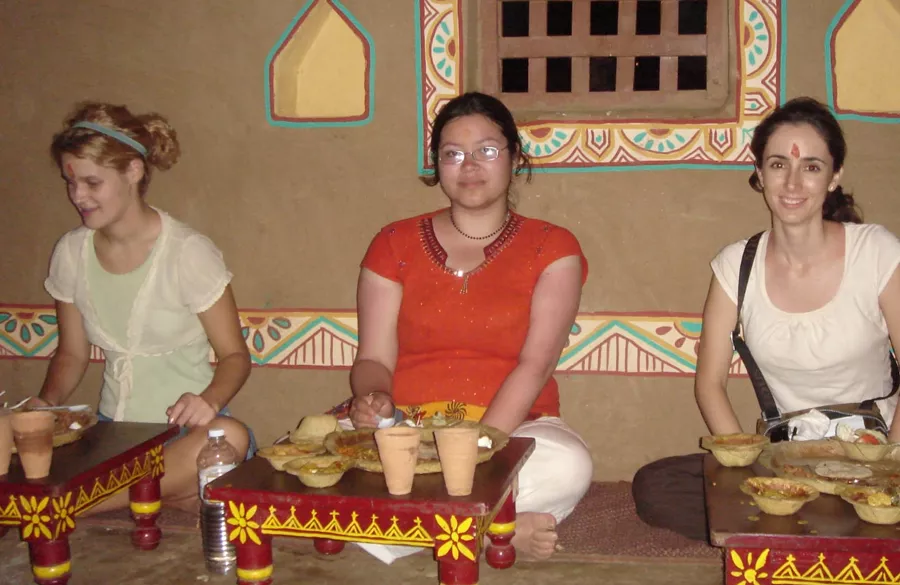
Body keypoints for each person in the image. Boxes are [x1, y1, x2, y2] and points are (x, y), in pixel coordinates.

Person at [632, 96, 900, 540]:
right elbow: (709, 384)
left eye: (812, 167)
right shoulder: (735, 266)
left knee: (856, 511)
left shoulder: (877, 252)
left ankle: (818, 530)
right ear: (759, 173)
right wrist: (748, 467)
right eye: (778, 165)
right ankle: (815, 528)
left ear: (835, 177)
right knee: (656, 486)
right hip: (788, 457)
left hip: (876, 448)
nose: (793, 183)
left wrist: (887, 467)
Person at [346, 91, 593, 562]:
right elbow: (374, 358)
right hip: (408, 429)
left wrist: (475, 449)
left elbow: (535, 364)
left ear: (515, 157)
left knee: (568, 464)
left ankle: (430, 525)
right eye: (453, 153)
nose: (470, 165)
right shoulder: (392, 242)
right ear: (437, 165)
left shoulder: (553, 247)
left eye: (487, 150)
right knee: (304, 460)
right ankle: (487, 528)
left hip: (512, 428)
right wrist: (374, 399)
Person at [31, 102, 253, 513]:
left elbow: (235, 357)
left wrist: (209, 400)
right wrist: (44, 408)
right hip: (109, 441)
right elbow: (72, 353)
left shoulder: (187, 252)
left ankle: (70, 504)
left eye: (92, 183)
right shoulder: (70, 252)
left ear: (133, 171)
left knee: (230, 435)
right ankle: (121, 497)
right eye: (70, 182)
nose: (78, 196)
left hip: (184, 439)